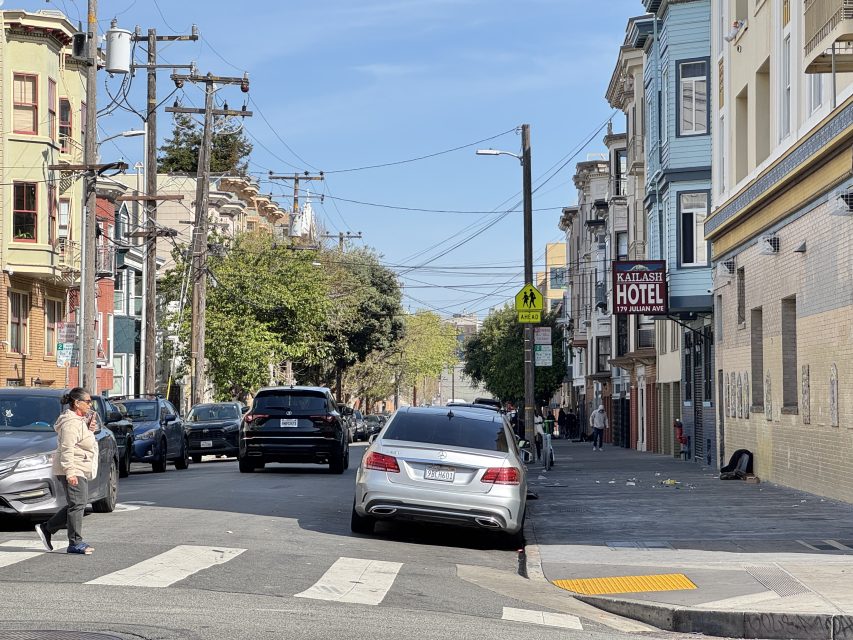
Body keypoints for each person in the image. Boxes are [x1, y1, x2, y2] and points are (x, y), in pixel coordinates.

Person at [35, 387, 99, 555]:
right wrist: (70, 472)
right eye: (87, 401)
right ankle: (75, 542)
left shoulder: (78, 420)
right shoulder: (70, 423)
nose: (89, 404)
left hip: (78, 466)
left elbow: (81, 440)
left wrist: (89, 428)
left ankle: (47, 528)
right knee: (78, 504)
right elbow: (67, 448)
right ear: (77, 403)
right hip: (72, 467)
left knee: (77, 504)